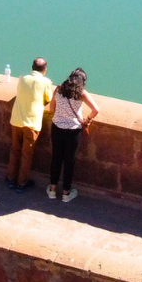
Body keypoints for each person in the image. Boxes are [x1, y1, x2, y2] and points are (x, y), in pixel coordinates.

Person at [46, 67, 100, 202]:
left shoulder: (59, 88)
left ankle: (52, 189)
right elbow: (96, 110)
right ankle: (66, 192)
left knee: (56, 158)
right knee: (69, 161)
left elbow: (51, 108)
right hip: (73, 131)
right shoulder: (81, 93)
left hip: (57, 128)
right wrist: (87, 120)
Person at [6, 57, 56, 191]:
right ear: (45, 70)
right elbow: (48, 99)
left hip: (17, 119)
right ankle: (21, 183)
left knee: (15, 150)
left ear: (32, 67)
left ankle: (10, 179)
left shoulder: (22, 78)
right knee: (26, 154)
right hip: (32, 123)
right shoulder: (46, 82)